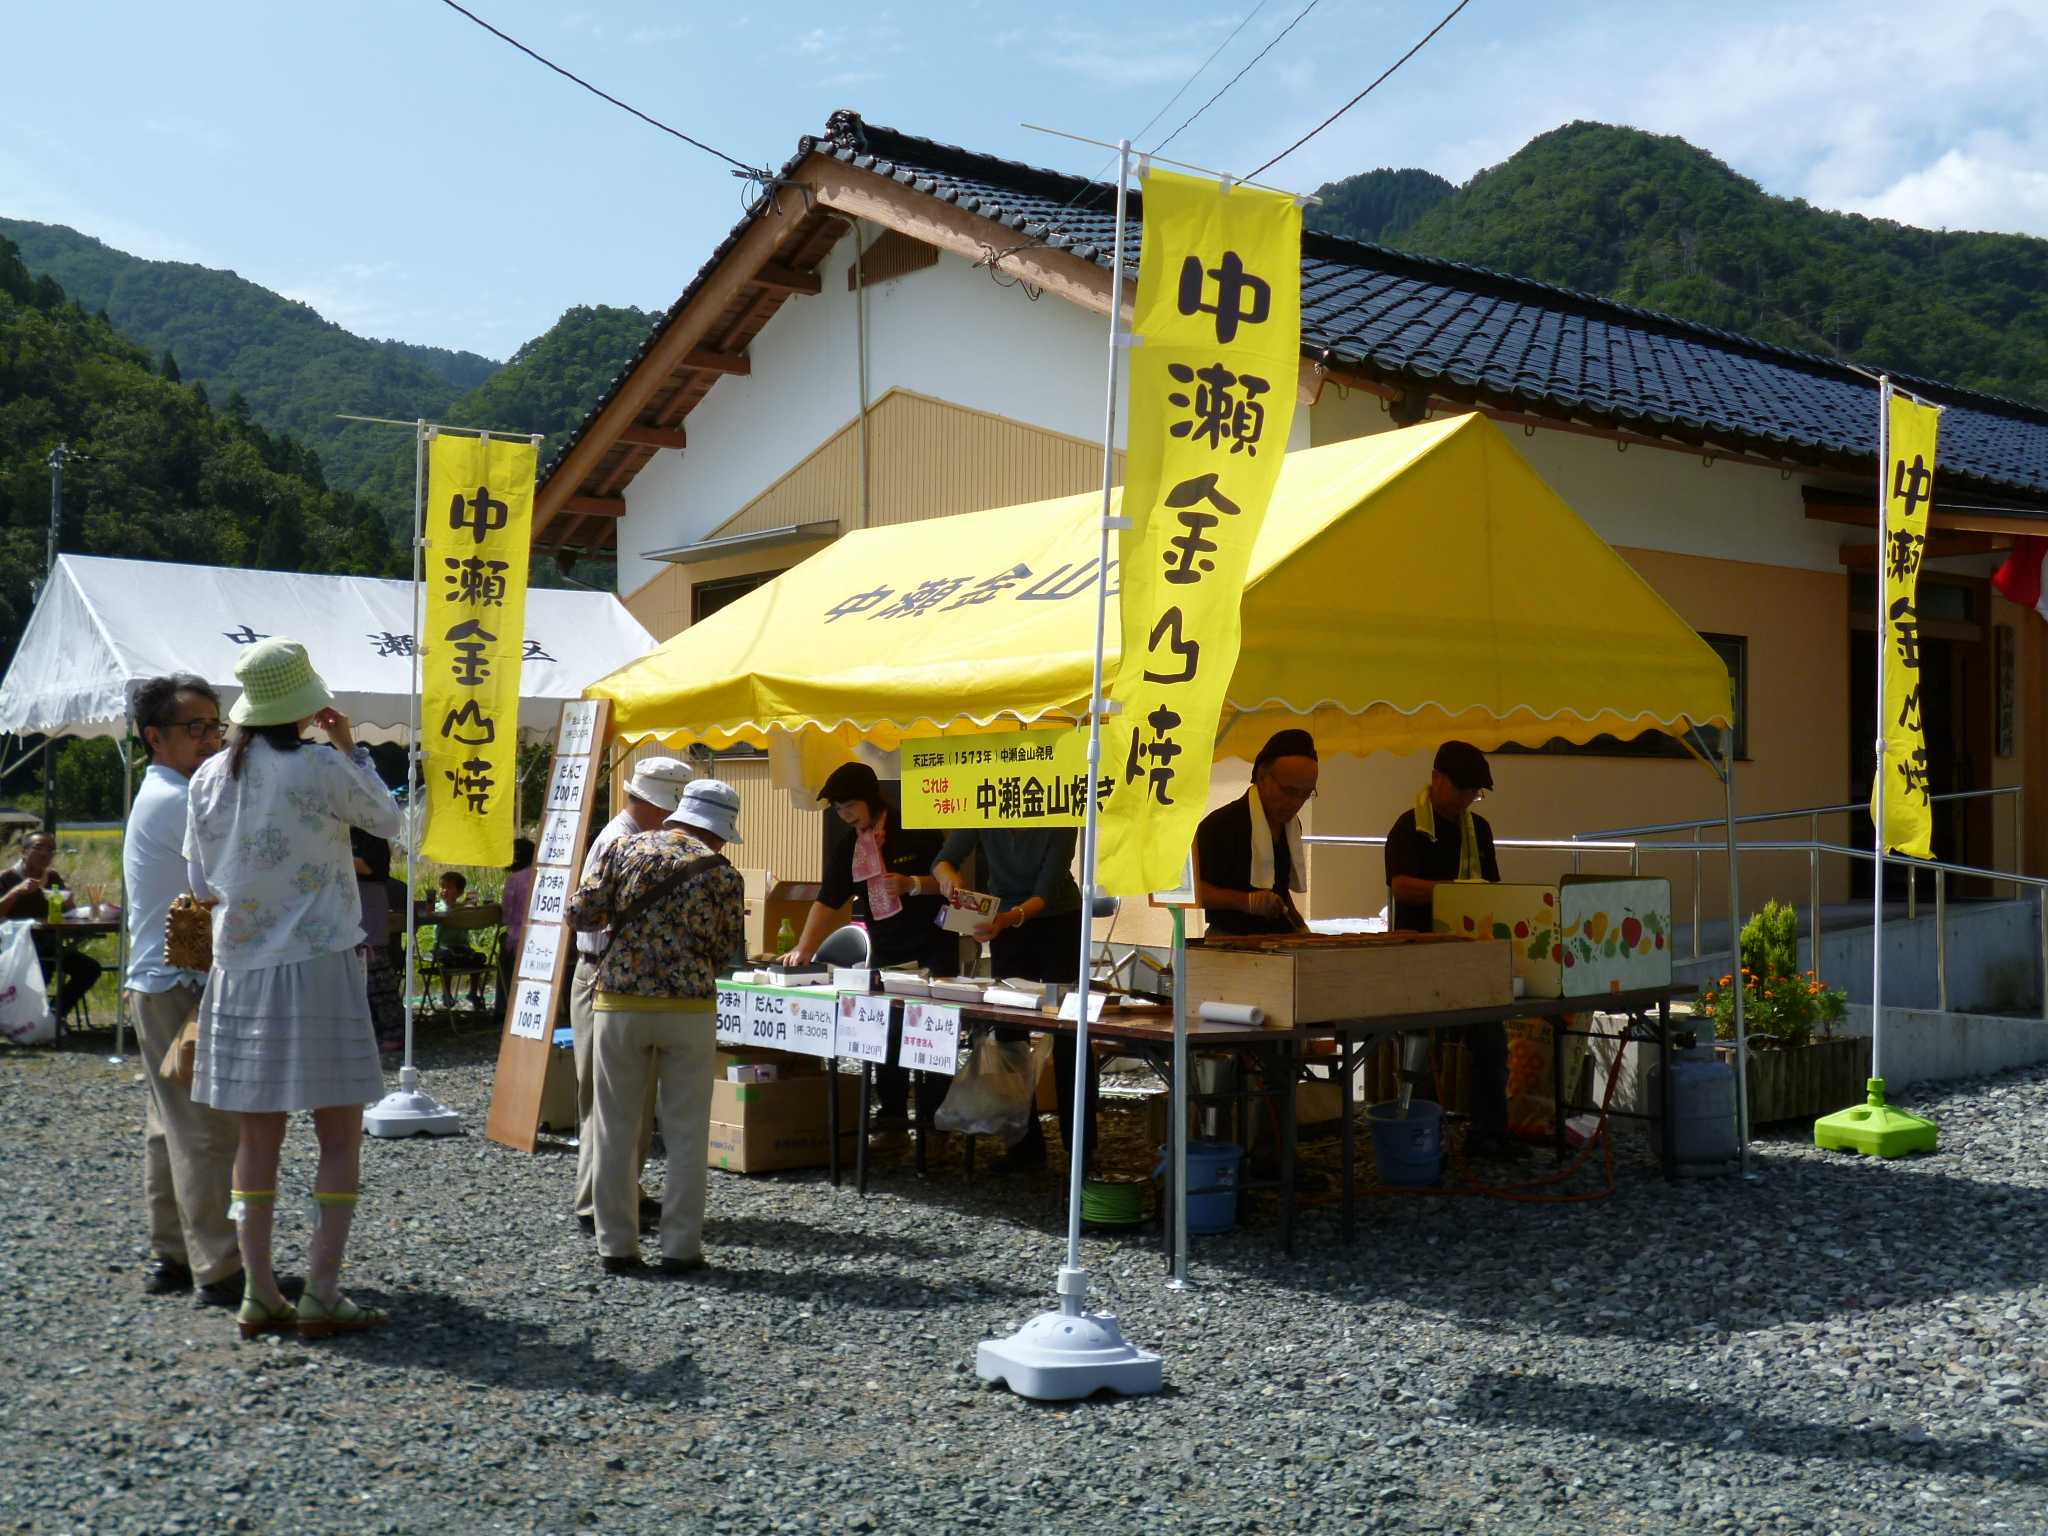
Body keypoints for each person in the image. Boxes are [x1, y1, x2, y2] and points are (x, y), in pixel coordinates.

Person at [183, 637, 405, 1339]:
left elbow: (198, 885)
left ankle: (258, 1293)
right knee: (337, 1133)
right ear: (307, 705)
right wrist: (350, 749)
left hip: (241, 970)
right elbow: (390, 822)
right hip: (322, 964)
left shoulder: (210, 776)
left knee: (258, 1138)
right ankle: (324, 1291)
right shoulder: (316, 764)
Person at [567, 778, 747, 1276]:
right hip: (689, 1008)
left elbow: (579, 914)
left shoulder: (624, 849)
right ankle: (680, 1249)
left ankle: (617, 1247)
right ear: (717, 832)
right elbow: (723, 948)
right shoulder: (724, 875)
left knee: (615, 1126)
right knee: (687, 1134)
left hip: (618, 1002)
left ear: (678, 813)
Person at [123, 674, 254, 1306]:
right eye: (194, 728)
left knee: (167, 1124)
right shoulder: (182, 797)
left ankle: (173, 1254)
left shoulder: (165, 789)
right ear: (155, 737)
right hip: (183, 982)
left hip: (159, 979)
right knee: (205, 1129)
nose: (210, 739)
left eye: (214, 725)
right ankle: (221, 1267)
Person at [788, 762, 956, 1135]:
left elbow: (946, 879)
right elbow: (829, 898)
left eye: (849, 806)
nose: (845, 815)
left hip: (933, 945)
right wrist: (803, 949)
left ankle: (936, 1123)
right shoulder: (849, 847)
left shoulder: (914, 826)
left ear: (871, 799)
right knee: (887, 1033)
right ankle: (892, 1118)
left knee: (935, 1034)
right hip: (886, 949)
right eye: (838, 809)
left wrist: (912, 883)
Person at [569, 758, 694, 1235]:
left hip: (610, 978)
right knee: (611, 1101)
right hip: (606, 976)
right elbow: (585, 913)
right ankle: (599, 1203)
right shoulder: (622, 841)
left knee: (622, 1101)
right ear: (656, 806)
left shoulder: (624, 836)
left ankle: (620, 1193)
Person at [1383, 739, 1520, 1160]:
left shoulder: (1479, 830)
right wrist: (1457, 893)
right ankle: (1425, 1140)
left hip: (1470, 954)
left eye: (1474, 793)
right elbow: (1401, 886)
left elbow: (1492, 891)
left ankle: (1488, 1133)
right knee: (1424, 1053)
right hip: (1419, 954)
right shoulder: (1408, 827)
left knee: (1492, 1045)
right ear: (1436, 779)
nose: (1466, 799)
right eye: (1461, 789)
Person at [932, 827, 1094, 1172]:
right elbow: (943, 860)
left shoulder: (1058, 815)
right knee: (1009, 1033)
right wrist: (949, 880)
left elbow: (1047, 891)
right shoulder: (987, 805)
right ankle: (1024, 1145)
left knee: (1069, 1031)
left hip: (1058, 921)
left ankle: (1083, 1147)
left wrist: (1007, 919)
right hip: (1003, 925)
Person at [1194, 729, 1320, 937]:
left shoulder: (1292, 825)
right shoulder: (1222, 824)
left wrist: (1302, 929)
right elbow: (1188, 890)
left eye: (1306, 794)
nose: (1297, 803)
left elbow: (1277, 893)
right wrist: (1245, 902)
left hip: (1277, 938)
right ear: (1262, 778)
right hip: (1230, 940)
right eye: (1289, 791)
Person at [351, 826, 402, 1054]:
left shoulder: (372, 835)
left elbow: (369, 867)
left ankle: (394, 1031)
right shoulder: (339, 831)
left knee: (377, 968)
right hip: (346, 900)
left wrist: (335, 854)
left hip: (369, 899)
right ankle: (368, 1029)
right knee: (355, 973)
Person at [498, 836, 535, 1004]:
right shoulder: (544, 875)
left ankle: (504, 1004)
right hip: (543, 936)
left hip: (518, 937)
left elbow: (506, 916)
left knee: (503, 956)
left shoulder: (514, 880)